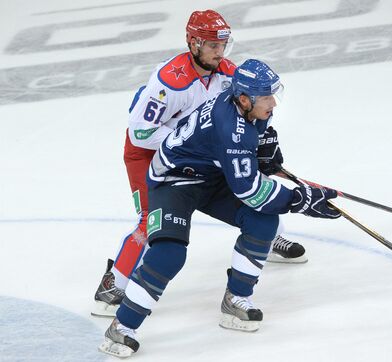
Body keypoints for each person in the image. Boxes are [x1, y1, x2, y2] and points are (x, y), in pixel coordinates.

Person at [98, 59, 341, 358]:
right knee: (169, 253)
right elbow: (249, 189)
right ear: (243, 98)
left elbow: (254, 154)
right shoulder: (231, 128)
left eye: (272, 94)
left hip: (211, 175)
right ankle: (121, 327)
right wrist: (299, 200)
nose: (272, 102)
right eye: (265, 96)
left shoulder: (250, 110)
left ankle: (236, 300)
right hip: (173, 181)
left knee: (263, 222)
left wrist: (266, 151)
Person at [92, 10, 306, 318]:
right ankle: (114, 284)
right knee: (151, 216)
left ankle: (268, 238)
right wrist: (201, 143)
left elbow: (250, 107)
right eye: (212, 46)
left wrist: (263, 141)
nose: (220, 54)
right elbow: (140, 132)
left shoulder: (228, 73)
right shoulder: (169, 80)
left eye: (223, 46)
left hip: (194, 148)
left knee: (245, 178)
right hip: (148, 151)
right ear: (193, 43)